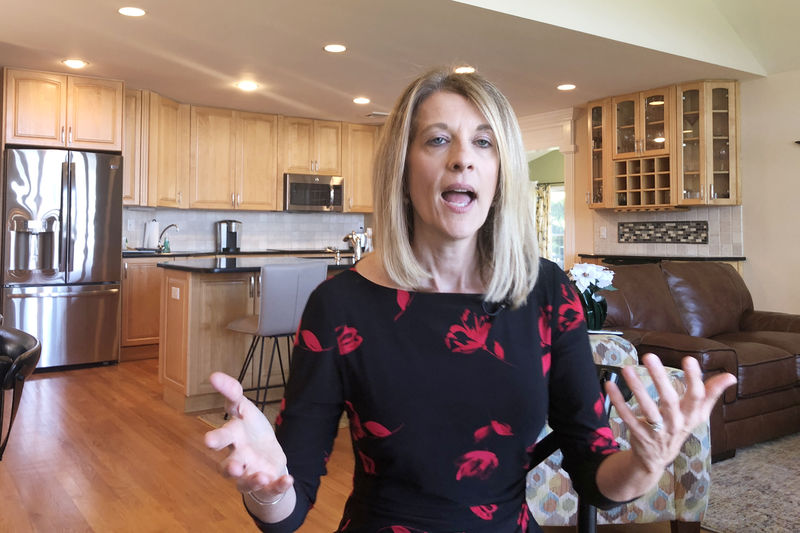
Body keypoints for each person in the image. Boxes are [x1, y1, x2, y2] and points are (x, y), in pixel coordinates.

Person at [204, 68, 736, 532]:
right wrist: (269, 486)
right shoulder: (339, 304)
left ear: (501, 172)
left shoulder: (547, 293)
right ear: (403, 167)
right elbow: (289, 511)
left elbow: (598, 479)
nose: (463, 159)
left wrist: (644, 464)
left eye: (484, 142)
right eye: (437, 140)